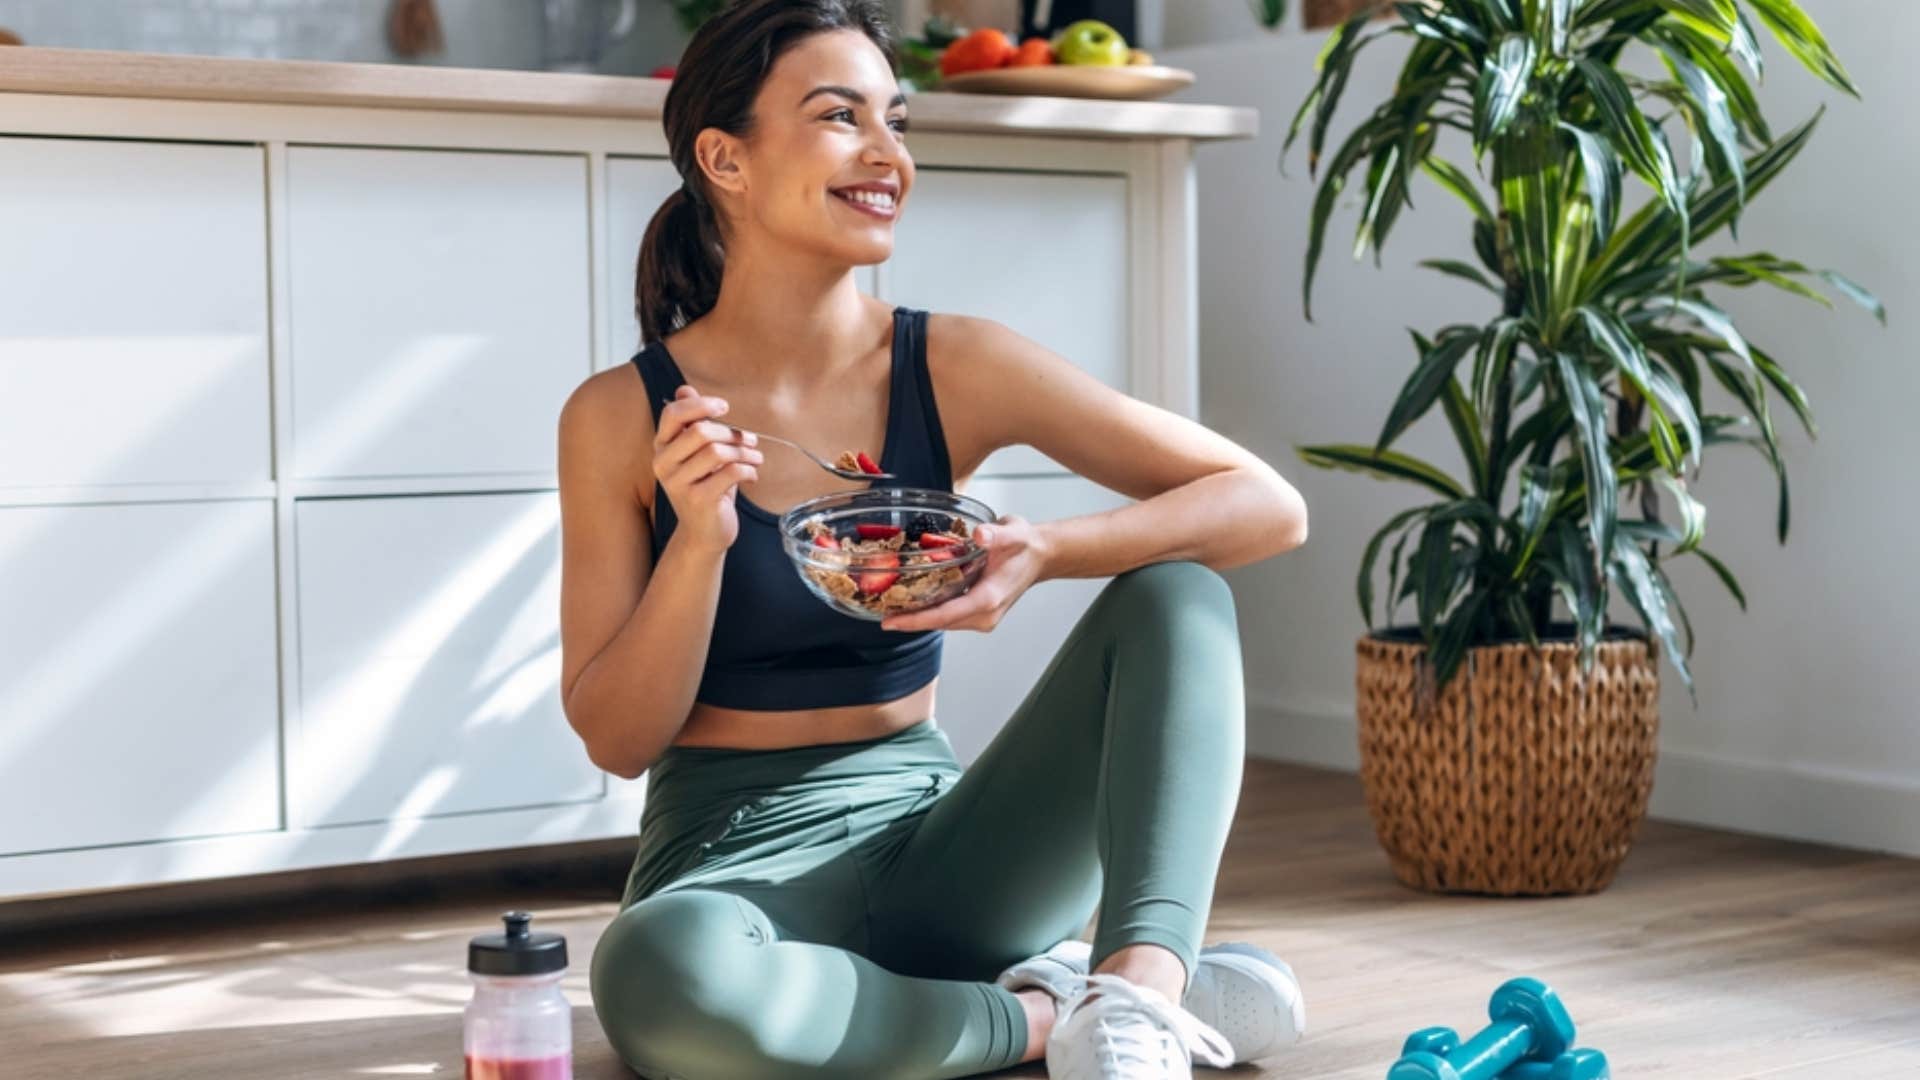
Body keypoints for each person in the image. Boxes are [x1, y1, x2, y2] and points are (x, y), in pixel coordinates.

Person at [555, 2, 1309, 1076]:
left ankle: (1140, 994)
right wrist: (699, 543)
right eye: (838, 116)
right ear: (723, 157)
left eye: (895, 120)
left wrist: (1049, 548)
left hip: (949, 857)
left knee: (1176, 595)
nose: (888, 153)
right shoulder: (622, 416)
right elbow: (619, 739)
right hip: (730, 877)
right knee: (659, 975)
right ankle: (1053, 1013)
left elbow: (1267, 504)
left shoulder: (953, 363)